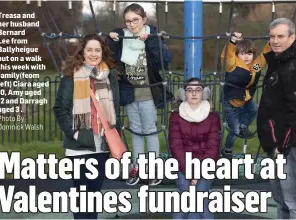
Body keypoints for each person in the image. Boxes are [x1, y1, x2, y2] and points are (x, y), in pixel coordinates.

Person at [53, 34, 120, 219]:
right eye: (89, 50)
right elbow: (60, 109)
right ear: (82, 52)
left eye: (97, 50)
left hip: (102, 145)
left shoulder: (110, 76)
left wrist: (115, 140)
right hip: (79, 147)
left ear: (102, 52)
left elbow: (115, 109)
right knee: (82, 195)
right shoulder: (70, 76)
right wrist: (75, 134)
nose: (93, 54)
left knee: (94, 194)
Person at [107, 3, 174, 186]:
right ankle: (137, 166)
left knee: (150, 130)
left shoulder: (151, 36)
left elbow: (165, 60)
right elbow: (110, 58)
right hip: (129, 91)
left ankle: (152, 168)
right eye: (127, 21)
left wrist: (151, 40)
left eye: (135, 20)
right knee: (136, 132)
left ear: (143, 19)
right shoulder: (122, 37)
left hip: (148, 91)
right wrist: (111, 40)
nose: (131, 24)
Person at [257, 17, 296, 219]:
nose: (275, 40)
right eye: (272, 36)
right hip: (274, 143)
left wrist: (284, 146)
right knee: (281, 202)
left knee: (295, 201)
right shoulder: (276, 63)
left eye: (280, 36)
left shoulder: (295, 67)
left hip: (286, 145)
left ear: (292, 37)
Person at [169, 78, 221, 219]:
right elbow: (176, 146)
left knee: (201, 195)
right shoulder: (175, 116)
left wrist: (199, 171)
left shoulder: (213, 117)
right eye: (189, 90)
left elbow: (213, 146)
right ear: (184, 94)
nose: (193, 93)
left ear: (203, 93)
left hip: (205, 163)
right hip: (183, 163)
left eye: (197, 90)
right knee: (185, 194)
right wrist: (190, 171)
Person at [220, 32, 271, 158]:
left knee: (255, 109)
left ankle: (244, 126)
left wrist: (271, 42)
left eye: (249, 53)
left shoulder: (255, 65)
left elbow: (264, 57)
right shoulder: (232, 65)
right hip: (231, 103)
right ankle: (227, 150)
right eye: (242, 53)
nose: (246, 56)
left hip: (246, 100)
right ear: (238, 54)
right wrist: (232, 42)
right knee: (234, 131)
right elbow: (227, 56)